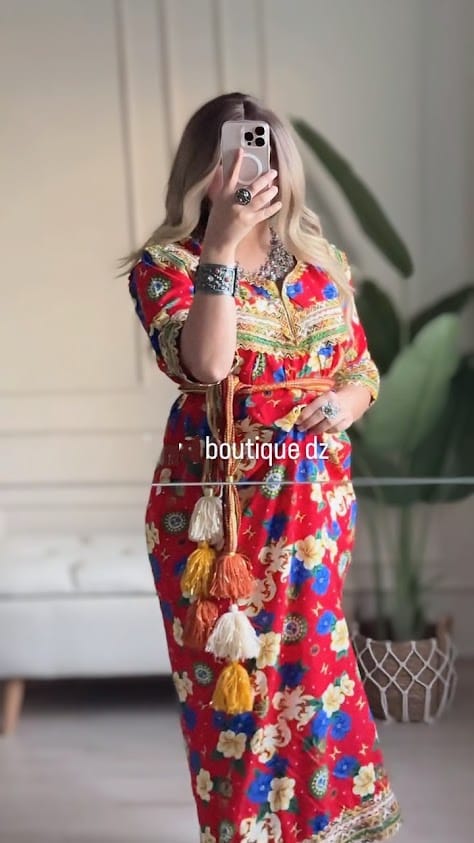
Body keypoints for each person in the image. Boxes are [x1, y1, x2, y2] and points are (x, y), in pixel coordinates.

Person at [126, 92, 402, 843]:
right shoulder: (169, 265)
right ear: (205, 166)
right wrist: (219, 247)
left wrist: (342, 404)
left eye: (266, 152)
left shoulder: (322, 263)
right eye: (237, 153)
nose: (254, 167)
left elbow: (362, 368)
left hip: (316, 511)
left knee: (318, 684)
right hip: (221, 526)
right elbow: (208, 365)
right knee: (239, 706)